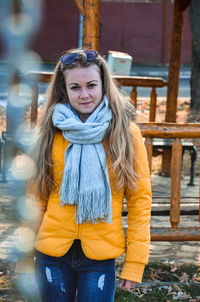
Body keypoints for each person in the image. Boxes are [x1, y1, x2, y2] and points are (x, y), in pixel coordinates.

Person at [16, 48, 152, 302]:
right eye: (75, 87)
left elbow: (139, 201)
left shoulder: (126, 133)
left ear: (104, 85)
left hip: (100, 258)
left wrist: (135, 261)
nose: (85, 94)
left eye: (91, 85)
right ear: (63, 90)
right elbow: (34, 198)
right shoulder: (50, 132)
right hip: (51, 254)